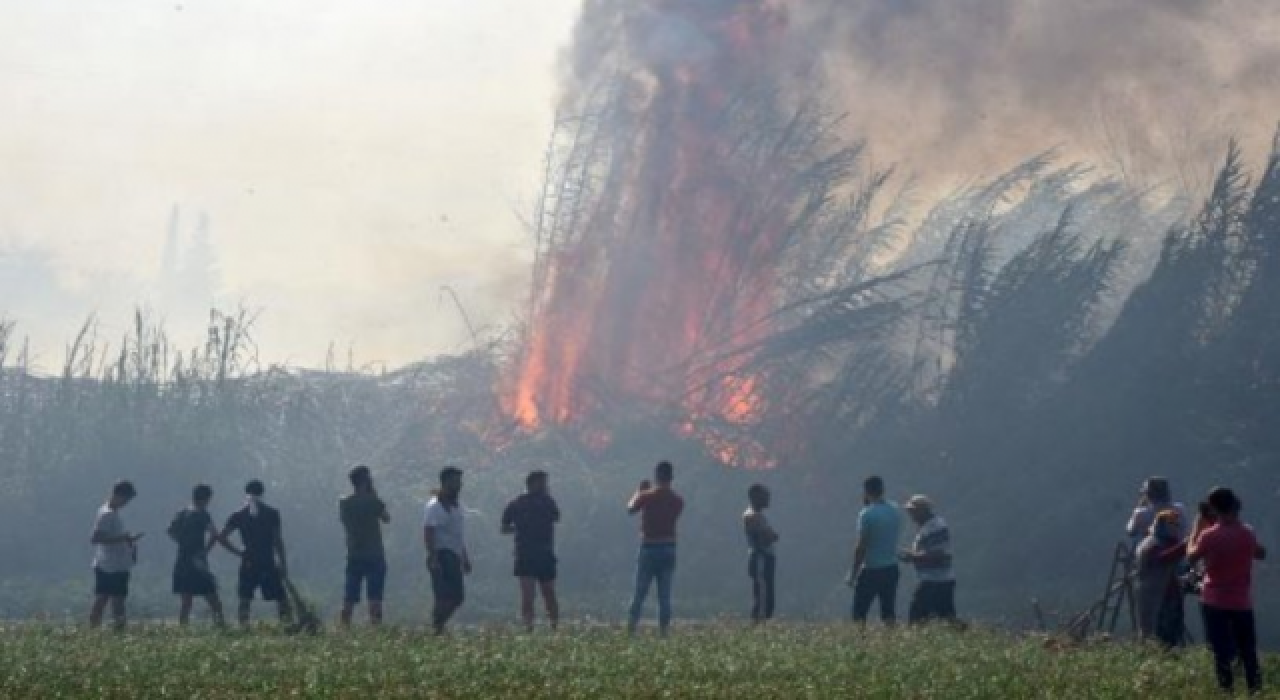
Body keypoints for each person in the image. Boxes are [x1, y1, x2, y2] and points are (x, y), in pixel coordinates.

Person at [1188, 487, 1267, 694]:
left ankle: (1227, 692)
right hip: (1241, 601)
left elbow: (1191, 557)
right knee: (1248, 650)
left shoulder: (1208, 536)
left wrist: (1196, 530)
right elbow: (1261, 553)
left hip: (1214, 600)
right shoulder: (1247, 532)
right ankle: (1255, 691)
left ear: (1214, 509)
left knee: (1221, 652)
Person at [220, 480, 292, 627]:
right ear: (262, 493)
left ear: (246, 494)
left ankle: (244, 628)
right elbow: (278, 541)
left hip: (249, 561)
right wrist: (283, 563)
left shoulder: (239, 515)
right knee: (281, 598)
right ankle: (287, 626)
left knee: (245, 598)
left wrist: (239, 552)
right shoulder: (272, 513)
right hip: (267, 561)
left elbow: (222, 537)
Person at [168, 484, 240, 626]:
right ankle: (221, 626)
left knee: (186, 601)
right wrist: (206, 550)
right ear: (206, 499)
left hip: (182, 560)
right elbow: (214, 534)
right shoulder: (202, 514)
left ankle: (182, 630)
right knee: (212, 597)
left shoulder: (182, 512)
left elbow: (170, 531)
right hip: (197, 562)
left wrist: (183, 542)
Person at [626, 460, 685, 637]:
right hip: (669, 546)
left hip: (650, 547)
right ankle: (664, 633)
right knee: (664, 595)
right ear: (671, 477)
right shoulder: (678, 500)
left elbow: (630, 509)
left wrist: (638, 491)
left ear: (657, 476)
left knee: (640, 591)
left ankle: (630, 630)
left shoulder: (647, 496)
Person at [501, 470, 561, 631]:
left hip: (545, 553)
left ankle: (554, 626)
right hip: (525, 554)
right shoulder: (517, 503)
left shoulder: (548, 502)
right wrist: (521, 529)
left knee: (549, 592)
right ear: (532, 483)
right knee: (528, 595)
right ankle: (529, 627)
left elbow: (556, 518)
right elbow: (504, 527)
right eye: (542, 482)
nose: (545, 486)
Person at [339, 465, 391, 627]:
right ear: (366, 480)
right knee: (375, 597)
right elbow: (387, 518)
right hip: (374, 554)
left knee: (349, 597)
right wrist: (373, 495)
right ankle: (375, 629)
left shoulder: (344, 503)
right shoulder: (373, 502)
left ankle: (344, 628)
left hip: (354, 554)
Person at [847, 475, 902, 625]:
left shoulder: (867, 514)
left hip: (872, 569)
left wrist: (853, 574)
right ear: (882, 489)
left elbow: (861, 547)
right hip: (891, 568)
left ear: (866, 491)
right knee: (888, 611)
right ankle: (892, 642)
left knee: (859, 612)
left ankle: (861, 643)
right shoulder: (895, 510)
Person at [89, 480, 142, 630]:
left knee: (115, 601)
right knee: (105, 600)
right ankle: (100, 630)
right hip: (109, 566)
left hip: (116, 564)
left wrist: (128, 540)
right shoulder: (107, 514)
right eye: (126, 499)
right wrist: (123, 538)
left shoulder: (112, 513)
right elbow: (95, 538)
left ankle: (116, 632)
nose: (126, 503)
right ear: (119, 495)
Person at [424, 466, 470, 635]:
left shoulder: (457, 506)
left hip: (454, 555)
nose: (458, 485)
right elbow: (429, 532)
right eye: (455, 482)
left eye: (459, 482)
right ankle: (437, 627)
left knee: (457, 596)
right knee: (445, 595)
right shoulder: (434, 506)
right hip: (442, 555)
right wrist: (432, 556)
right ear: (445, 483)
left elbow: (458, 535)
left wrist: (465, 557)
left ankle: (437, 625)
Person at [1134, 509, 1186, 648]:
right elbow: (1162, 558)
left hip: (1170, 595)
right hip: (1154, 598)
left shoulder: (1171, 542)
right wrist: (1185, 545)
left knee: (1172, 633)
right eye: (1172, 525)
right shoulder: (1150, 544)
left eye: (1176, 525)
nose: (1176, 528)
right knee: (1155, 634)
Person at [900, 495, 955, 624]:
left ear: (922, 511)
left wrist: (913, 556)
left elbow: (940, 555)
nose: (911, 515)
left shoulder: (934, 527)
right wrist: (913, 556)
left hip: (934, 581)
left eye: (912, 511)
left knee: (916, 618)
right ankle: (967, 638)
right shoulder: (931, 525)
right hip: (941, 580)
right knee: (948, 617)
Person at [743, 483, 778, 624]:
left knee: (767, 592)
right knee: (762, 592)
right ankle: (759, 621)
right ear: (755, 497)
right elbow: (767, 537)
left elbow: (770, 535)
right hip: (760, 558)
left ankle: (763, 620)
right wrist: (770, 535)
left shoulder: (758, 516)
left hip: (766, 558)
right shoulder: (752, 515)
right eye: (765, 496)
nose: (768, 499)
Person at [1126, 477, 1187, 555]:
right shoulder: (1180, 509)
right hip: (1177, 551)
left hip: (1147, 554)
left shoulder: (1141, 513)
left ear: (1148, 495)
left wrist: (1139, 507)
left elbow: (1130, 531)